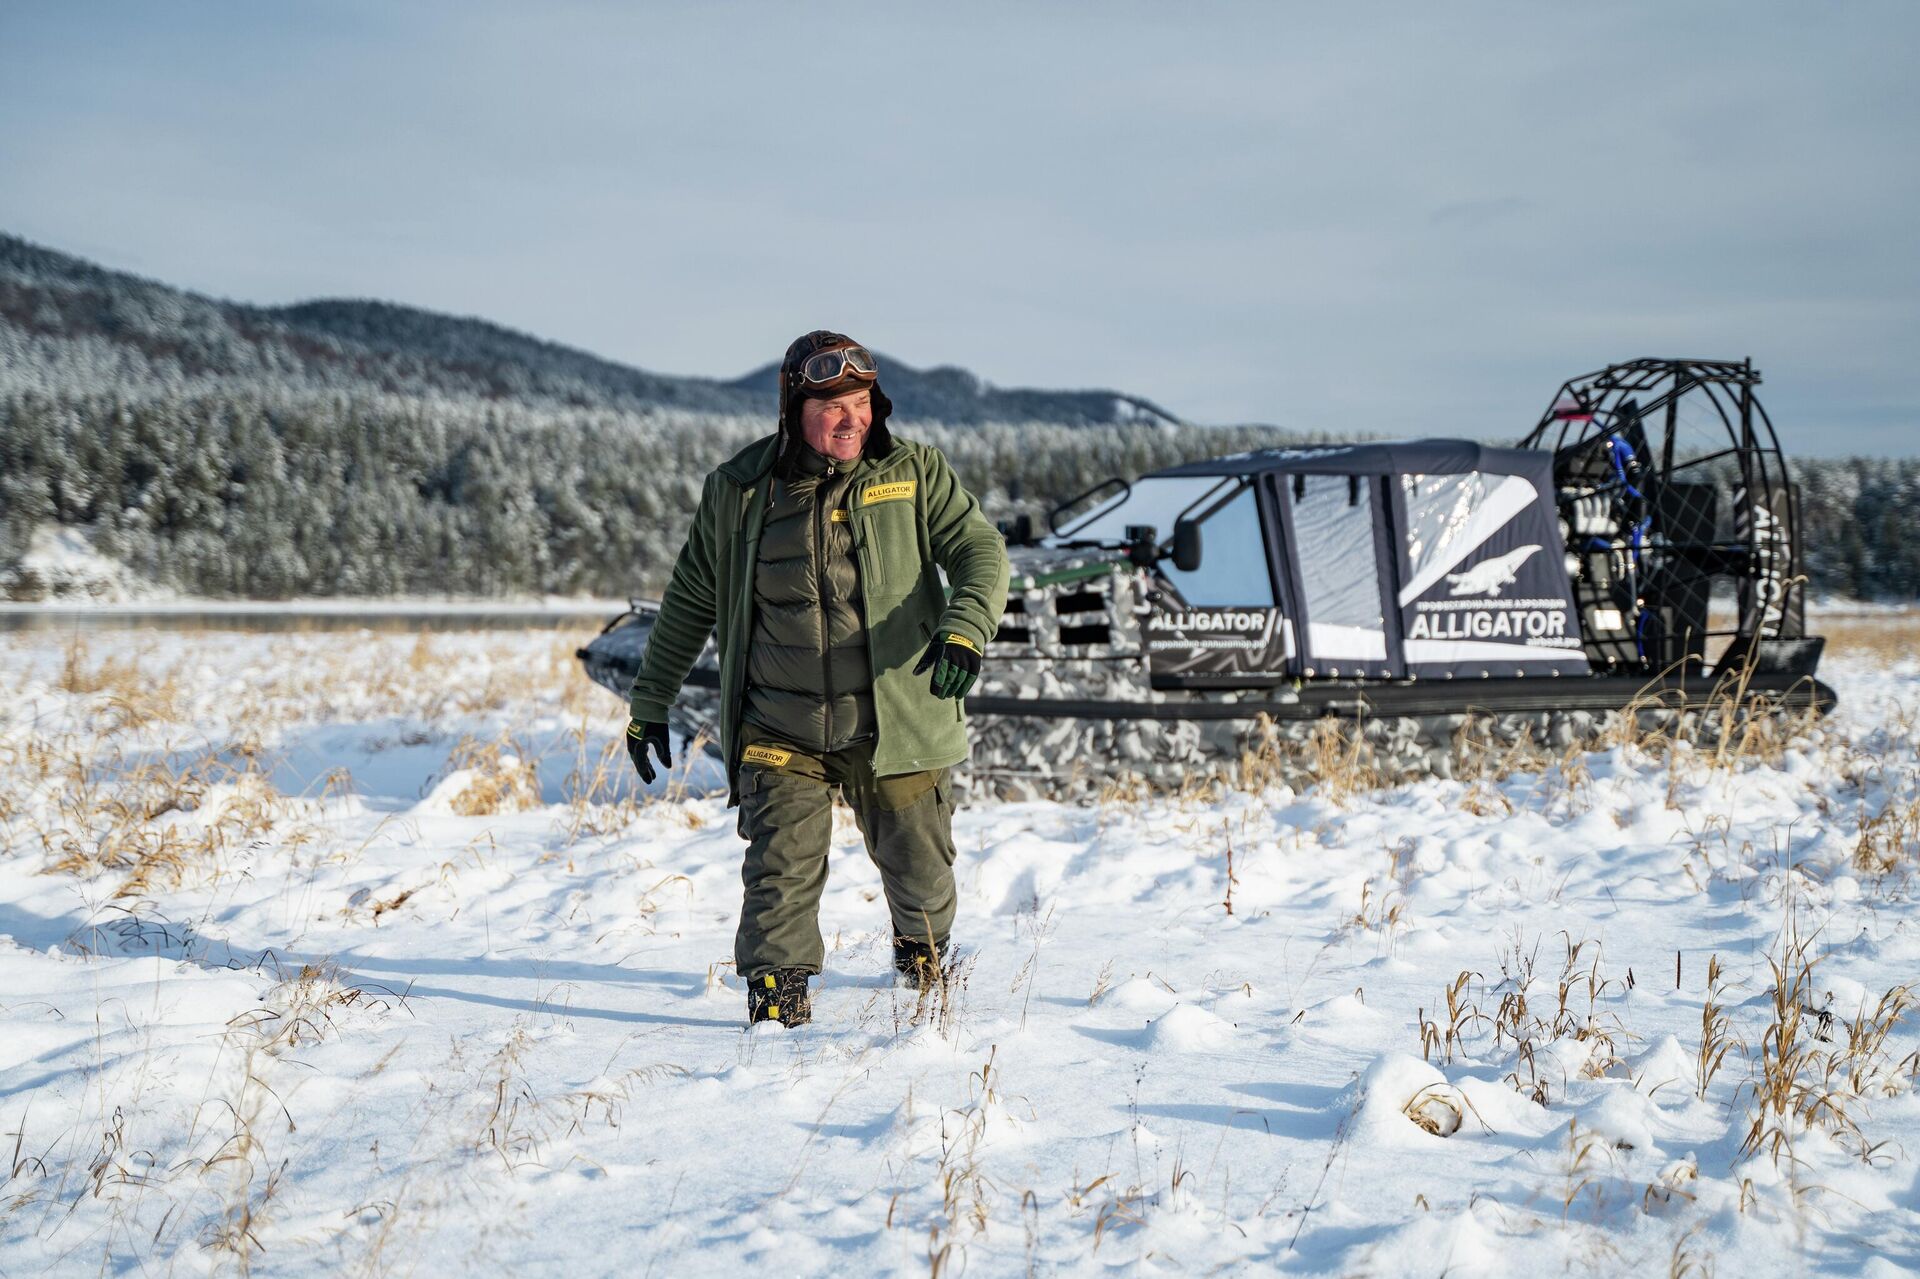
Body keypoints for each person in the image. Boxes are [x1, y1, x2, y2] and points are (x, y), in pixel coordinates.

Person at [625, 331, 1009, 1026]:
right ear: (794, 406)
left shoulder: (913, 472)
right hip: (781, 723)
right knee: (779, 868)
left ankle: (921, 952)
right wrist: (650, 700)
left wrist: (965, 626)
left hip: (895, 718)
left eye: (861, 402)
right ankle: (776, 1004)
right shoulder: (739, 492)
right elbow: (688, 600)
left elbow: (981, 548)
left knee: (921, 871)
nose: (852, 418)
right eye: (834, 405)